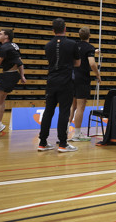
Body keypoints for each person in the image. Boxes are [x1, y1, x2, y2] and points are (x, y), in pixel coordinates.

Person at [38, 18, 80, 152]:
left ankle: (42, 142)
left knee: (48, 112)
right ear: (65, 29)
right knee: (64, 112)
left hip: (51, 81)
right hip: (66, 82)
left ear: (53, 30)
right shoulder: (72, 44)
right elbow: (78, 63)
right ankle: (63, 144)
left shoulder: (48, 45)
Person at [69, 27, 101, 142]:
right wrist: (97, 74)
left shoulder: (74, 45)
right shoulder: (89, 47)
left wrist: (94, 51)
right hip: (82, 78)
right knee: (81, 107)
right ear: (89, 35)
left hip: (72, 77)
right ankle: (77, 134)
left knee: (73, 106)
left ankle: (67, 131)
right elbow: (92, 63)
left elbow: (82, 53)